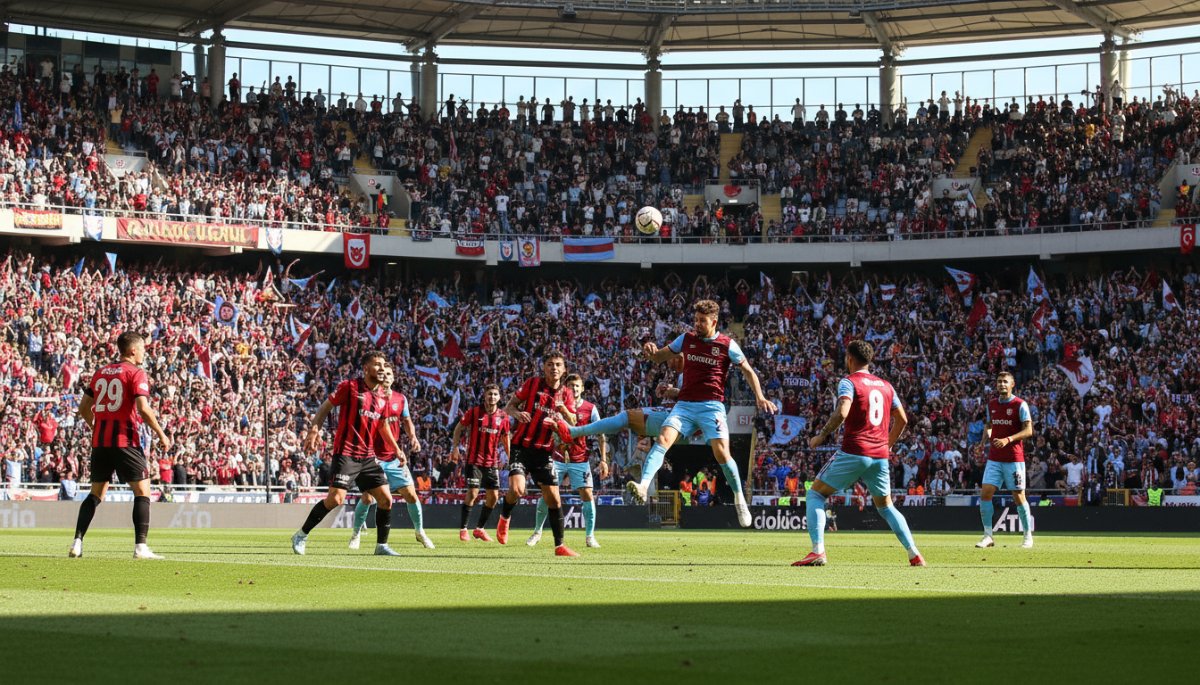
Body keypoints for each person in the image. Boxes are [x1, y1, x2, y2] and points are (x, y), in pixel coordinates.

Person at [627, 299, 776, 528]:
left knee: (721, 453)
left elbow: (748, 370)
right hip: (685, 405)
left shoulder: (727, 344)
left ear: (714, 322)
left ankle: (739, 499)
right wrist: (650, 350)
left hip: (712, 406)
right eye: (695, 320)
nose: (697, 324)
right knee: (663, 439)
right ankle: (643, 486)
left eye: (702, 321)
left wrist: (760, 396)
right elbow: (658, 357)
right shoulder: (686, 339)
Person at [794, 340, 924, 567]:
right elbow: (902, 419)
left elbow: (842, 411)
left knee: (815, 494)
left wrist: (822, 435)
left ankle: (818, 551)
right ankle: (914, 554)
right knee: (886, 506)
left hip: (854, 450)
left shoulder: (849, 382)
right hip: (879, 456)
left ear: (850, 358)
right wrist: (887, 445)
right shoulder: (887, 386)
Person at [69, 331, 172, 559]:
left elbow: (83, 408)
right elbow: (143, 408)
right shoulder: (136, 372)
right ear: (133, 350)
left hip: (100, 442)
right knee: (142, 491)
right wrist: (161, 434)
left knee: (96, 493)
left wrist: (96, 426)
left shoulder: (100, 372)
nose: (144, 352)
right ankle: (141, 547)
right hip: (125, 441)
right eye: (143, 348)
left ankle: (77, 542)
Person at [290, 351, 404, 556]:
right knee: (335, 499)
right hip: (346, 454)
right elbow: (325, 407)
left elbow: (383, 425)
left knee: (386, 499)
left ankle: (382, 546)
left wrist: (396, 449)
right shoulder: (350, 387)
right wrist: (314, 430)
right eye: (377, 364)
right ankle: (301, 534)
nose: (381, 368)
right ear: (366, 368)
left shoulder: (382, 396)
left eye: (383, 364)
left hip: (368, 457)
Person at [498, 350, 579, 556]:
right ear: (544, 367)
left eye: (558, 364)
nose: (554, 368)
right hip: (521, 446)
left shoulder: (566, 394)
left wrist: (561, 413)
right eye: (550, 364)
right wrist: (518, 413)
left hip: (544, 452)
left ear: (564, 369)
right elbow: (508, 407)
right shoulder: (532, 384)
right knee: (517, 489)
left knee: (554, 499)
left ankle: (559, 546)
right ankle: (504, 517)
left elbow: (573, 422)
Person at [348, 364, 433, 551]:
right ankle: (356, 534)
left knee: (411, 495)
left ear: (393, 378)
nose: (386, 377)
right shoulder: (370, 398)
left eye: (389, 374)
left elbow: (407, 421)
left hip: (393, 458)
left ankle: (420, 531)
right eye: (383, 374)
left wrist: (413, 437)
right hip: (371, 457)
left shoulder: (400, 399)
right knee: (367, 498)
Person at [530, 374, 608, 548]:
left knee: (587, 495)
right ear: (566, 388)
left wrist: (603, 460)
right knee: (546, 494)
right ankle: (537, 532)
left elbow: (601, 433)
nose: (574, 389)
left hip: (580, 458)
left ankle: (590, 537)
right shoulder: (556, 405)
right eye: (571, 386)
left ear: (582, 388)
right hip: (556, 457)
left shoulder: (590, 408)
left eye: (577, 386)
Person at [976, 371, 1035, 549]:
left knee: (1018, 496)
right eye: (999, 381)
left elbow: (1028, 431)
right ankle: (988, 536)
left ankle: (1027, 536)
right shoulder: (992, 404)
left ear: (1012, 384)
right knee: (985, 494)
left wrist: (1007, 439)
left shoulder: (1020, 404)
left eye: (1005, 381)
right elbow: (989, 425)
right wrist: (983, 442)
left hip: (1014, 459)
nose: (1002, 384)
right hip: (994, 458)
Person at [450, 384, 511, 542]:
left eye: (495, 394)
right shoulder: (474, 412)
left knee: (493, 497)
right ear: (484, 396)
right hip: (474, 460)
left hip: (492, 462)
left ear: (499, 397)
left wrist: (510, 456)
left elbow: (505, 438)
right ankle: (463, 529)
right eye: (489, 394)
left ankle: (479, 529)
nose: (492, 397)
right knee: (473, 493)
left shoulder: (503, 417)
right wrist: (455, 448)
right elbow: (458, 428)